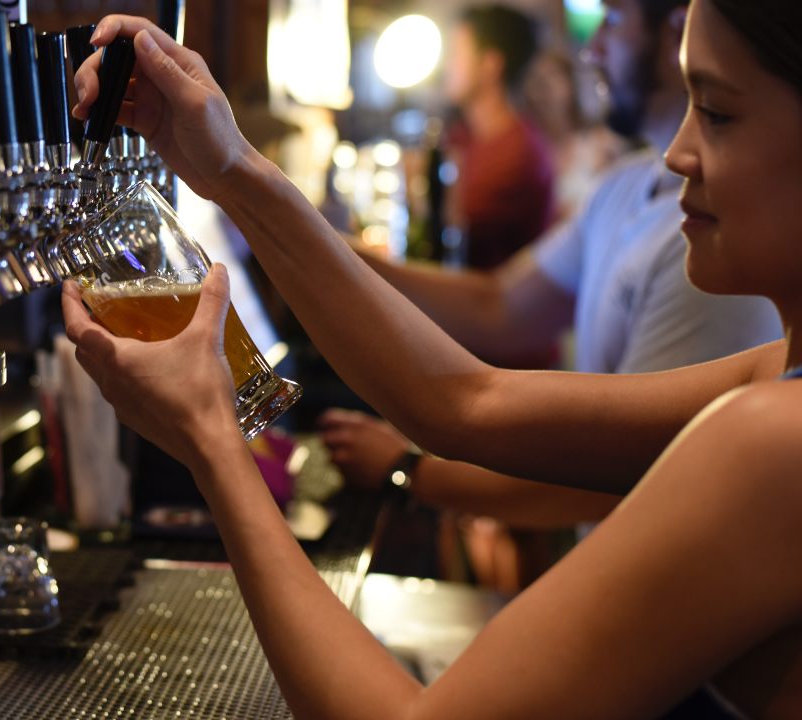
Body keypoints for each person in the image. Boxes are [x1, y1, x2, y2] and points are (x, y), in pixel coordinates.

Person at [65, 1, 802, 715]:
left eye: (719, 113)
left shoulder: (774, 441)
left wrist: (210, 440)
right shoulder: (773, 382)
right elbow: (463, 403)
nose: (678, 153)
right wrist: (228, 169)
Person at [322, 0, 780, 543]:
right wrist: (324, 246)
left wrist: (408, 469)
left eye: (613, 18)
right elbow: (497, 306)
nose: (591, 49)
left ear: (677, 26)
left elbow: (616, 474)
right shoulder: (626, 184)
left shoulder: (718, 245)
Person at [442, 4, 555, 271]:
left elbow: (449, 221)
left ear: (490, 64)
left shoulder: (519, 153)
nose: (447, 66)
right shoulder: (462, 134)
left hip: (485, 305)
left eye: (456, 54)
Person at [522, 50, 625, 221]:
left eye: (553, 77)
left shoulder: (600, 142)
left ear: (571, 84)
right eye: (537, 80)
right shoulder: (527, 153)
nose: (544, 88)